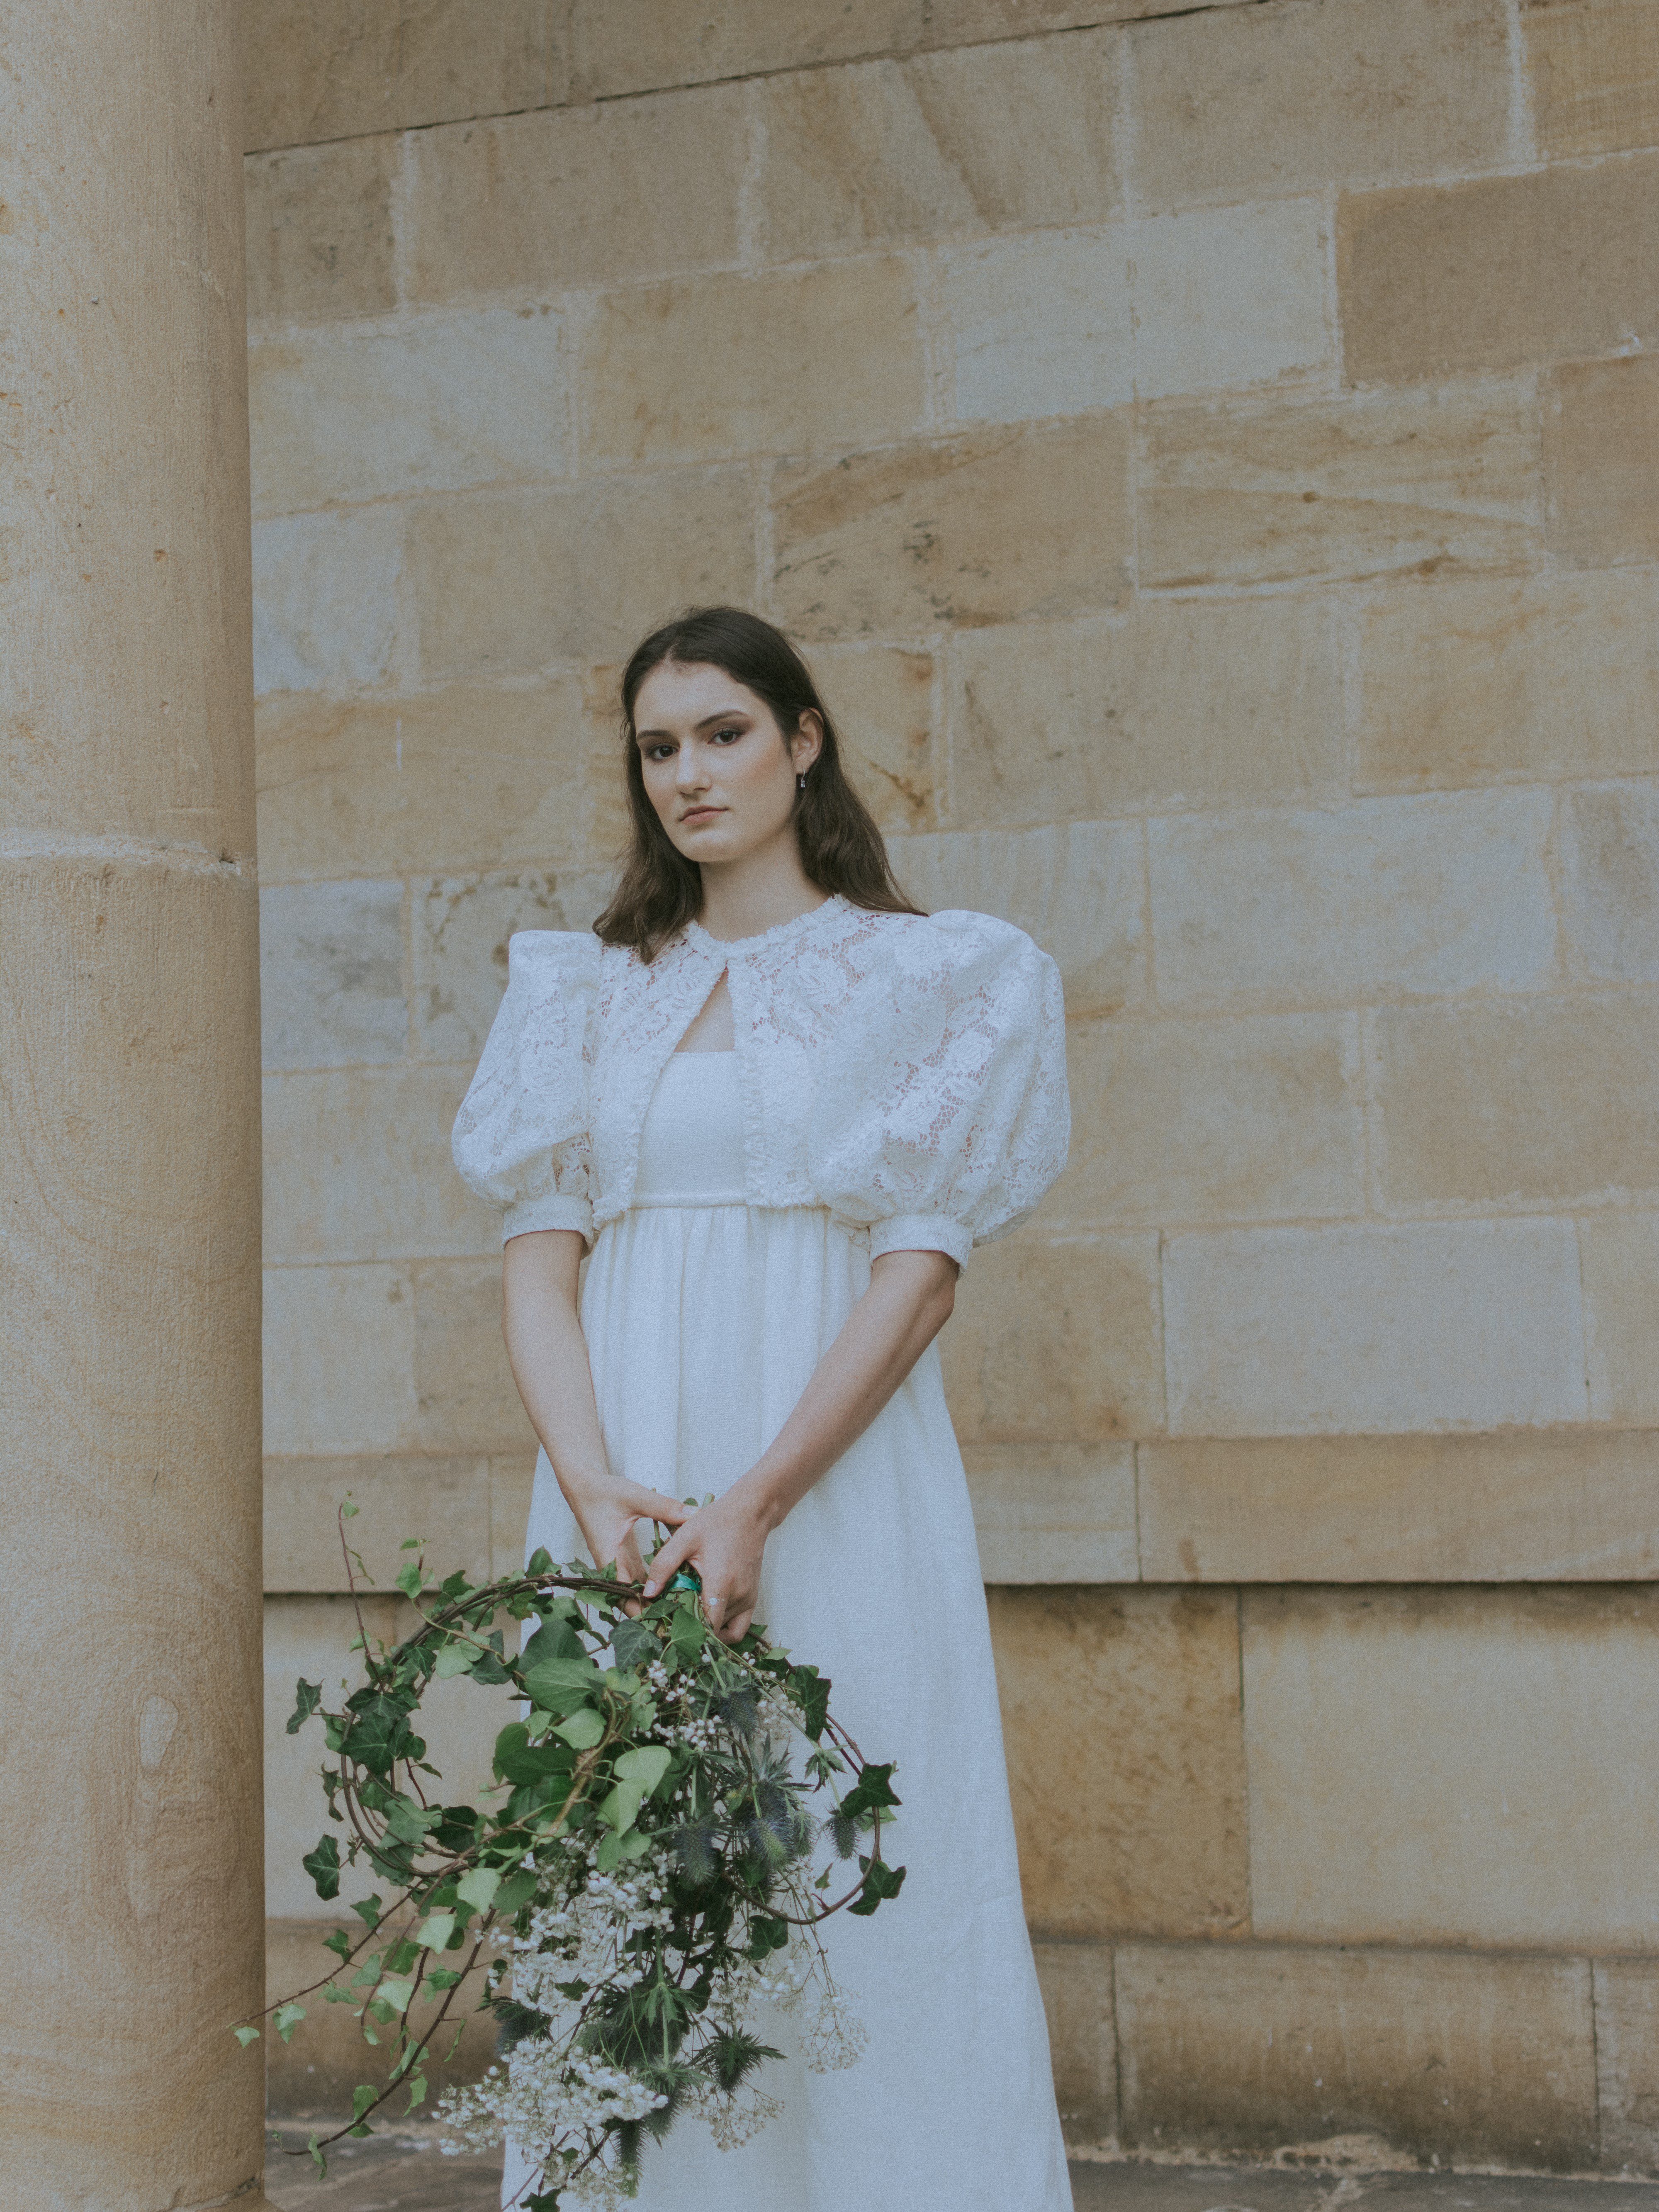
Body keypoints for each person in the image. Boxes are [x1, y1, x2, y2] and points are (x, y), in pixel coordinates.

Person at [452, 606, 1073, 2211]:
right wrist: (595, 1489)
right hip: (621, 1473)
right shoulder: (581, 985)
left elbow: (921, 1268)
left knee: (852, 1841)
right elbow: (539, 1265)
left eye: (722, 732)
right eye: (656, 746)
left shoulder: (943, 970)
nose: (686, 773)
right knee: (629, 1858)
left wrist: (757, 1500)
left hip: (827, 1468)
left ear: (803, 741)